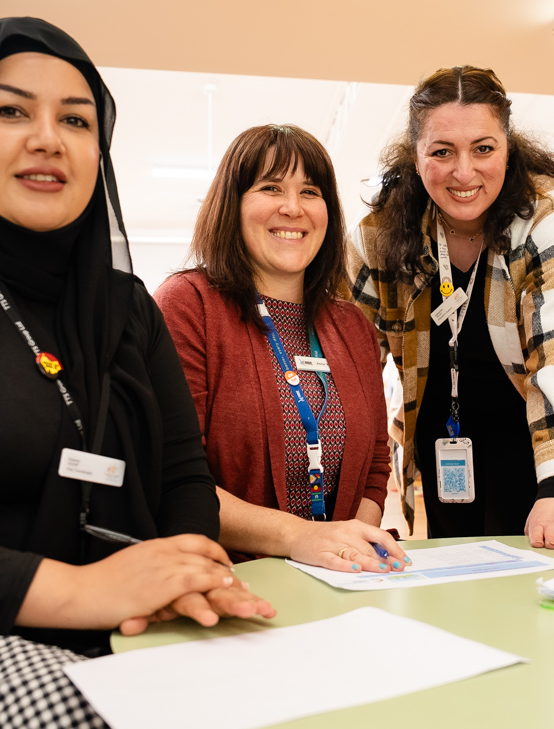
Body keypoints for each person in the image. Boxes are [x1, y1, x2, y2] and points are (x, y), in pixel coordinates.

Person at [0, 18, 274, 727]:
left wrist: (189, 580)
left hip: (110, 640)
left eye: (76, 119)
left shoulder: (124, 309)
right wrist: (82, 591)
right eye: (9, 110)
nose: (47, 138)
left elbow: (183, 479)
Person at [347, 66, 554, 547]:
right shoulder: (380, 233)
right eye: (442, 151)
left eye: (483, 149)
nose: (464, 172)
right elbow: (348, 363)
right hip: (442, 439)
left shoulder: (549, 216)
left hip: (537, 439)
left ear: (507, 149)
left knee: (538, 569)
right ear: (416, 155)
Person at [155, 125, 408, 574]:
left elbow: (373, 466)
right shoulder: (189, 304)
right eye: (270, 187)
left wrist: (347, 549)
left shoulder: (353, 326)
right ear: (231, 205)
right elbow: (172, 475)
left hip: (342, 582)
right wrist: (303, 538)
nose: (292, 208)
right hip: (227, 582)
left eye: (310, 191)